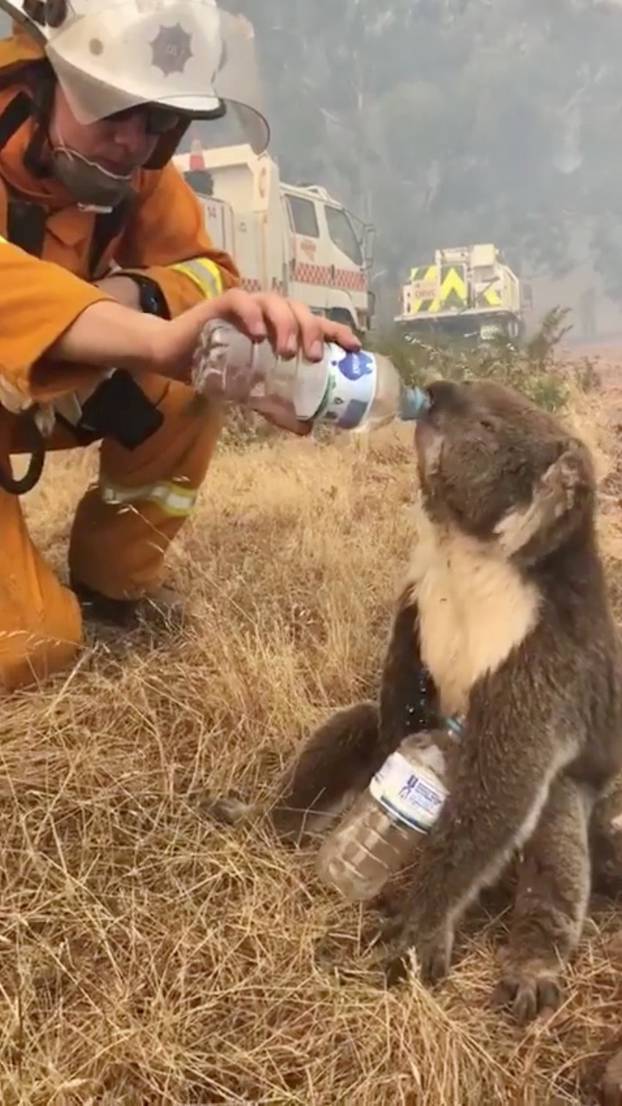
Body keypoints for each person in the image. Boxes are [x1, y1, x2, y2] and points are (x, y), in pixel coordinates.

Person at [0, 0, 359, 691]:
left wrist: (136, 307)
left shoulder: (138, 175)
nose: (135, 142)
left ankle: (113, 592)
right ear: (53, 76)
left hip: (30, 392)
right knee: (30, 648)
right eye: (120, 109)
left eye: (162, 120)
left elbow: (208, 273)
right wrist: (155, 340)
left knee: (200, 377)